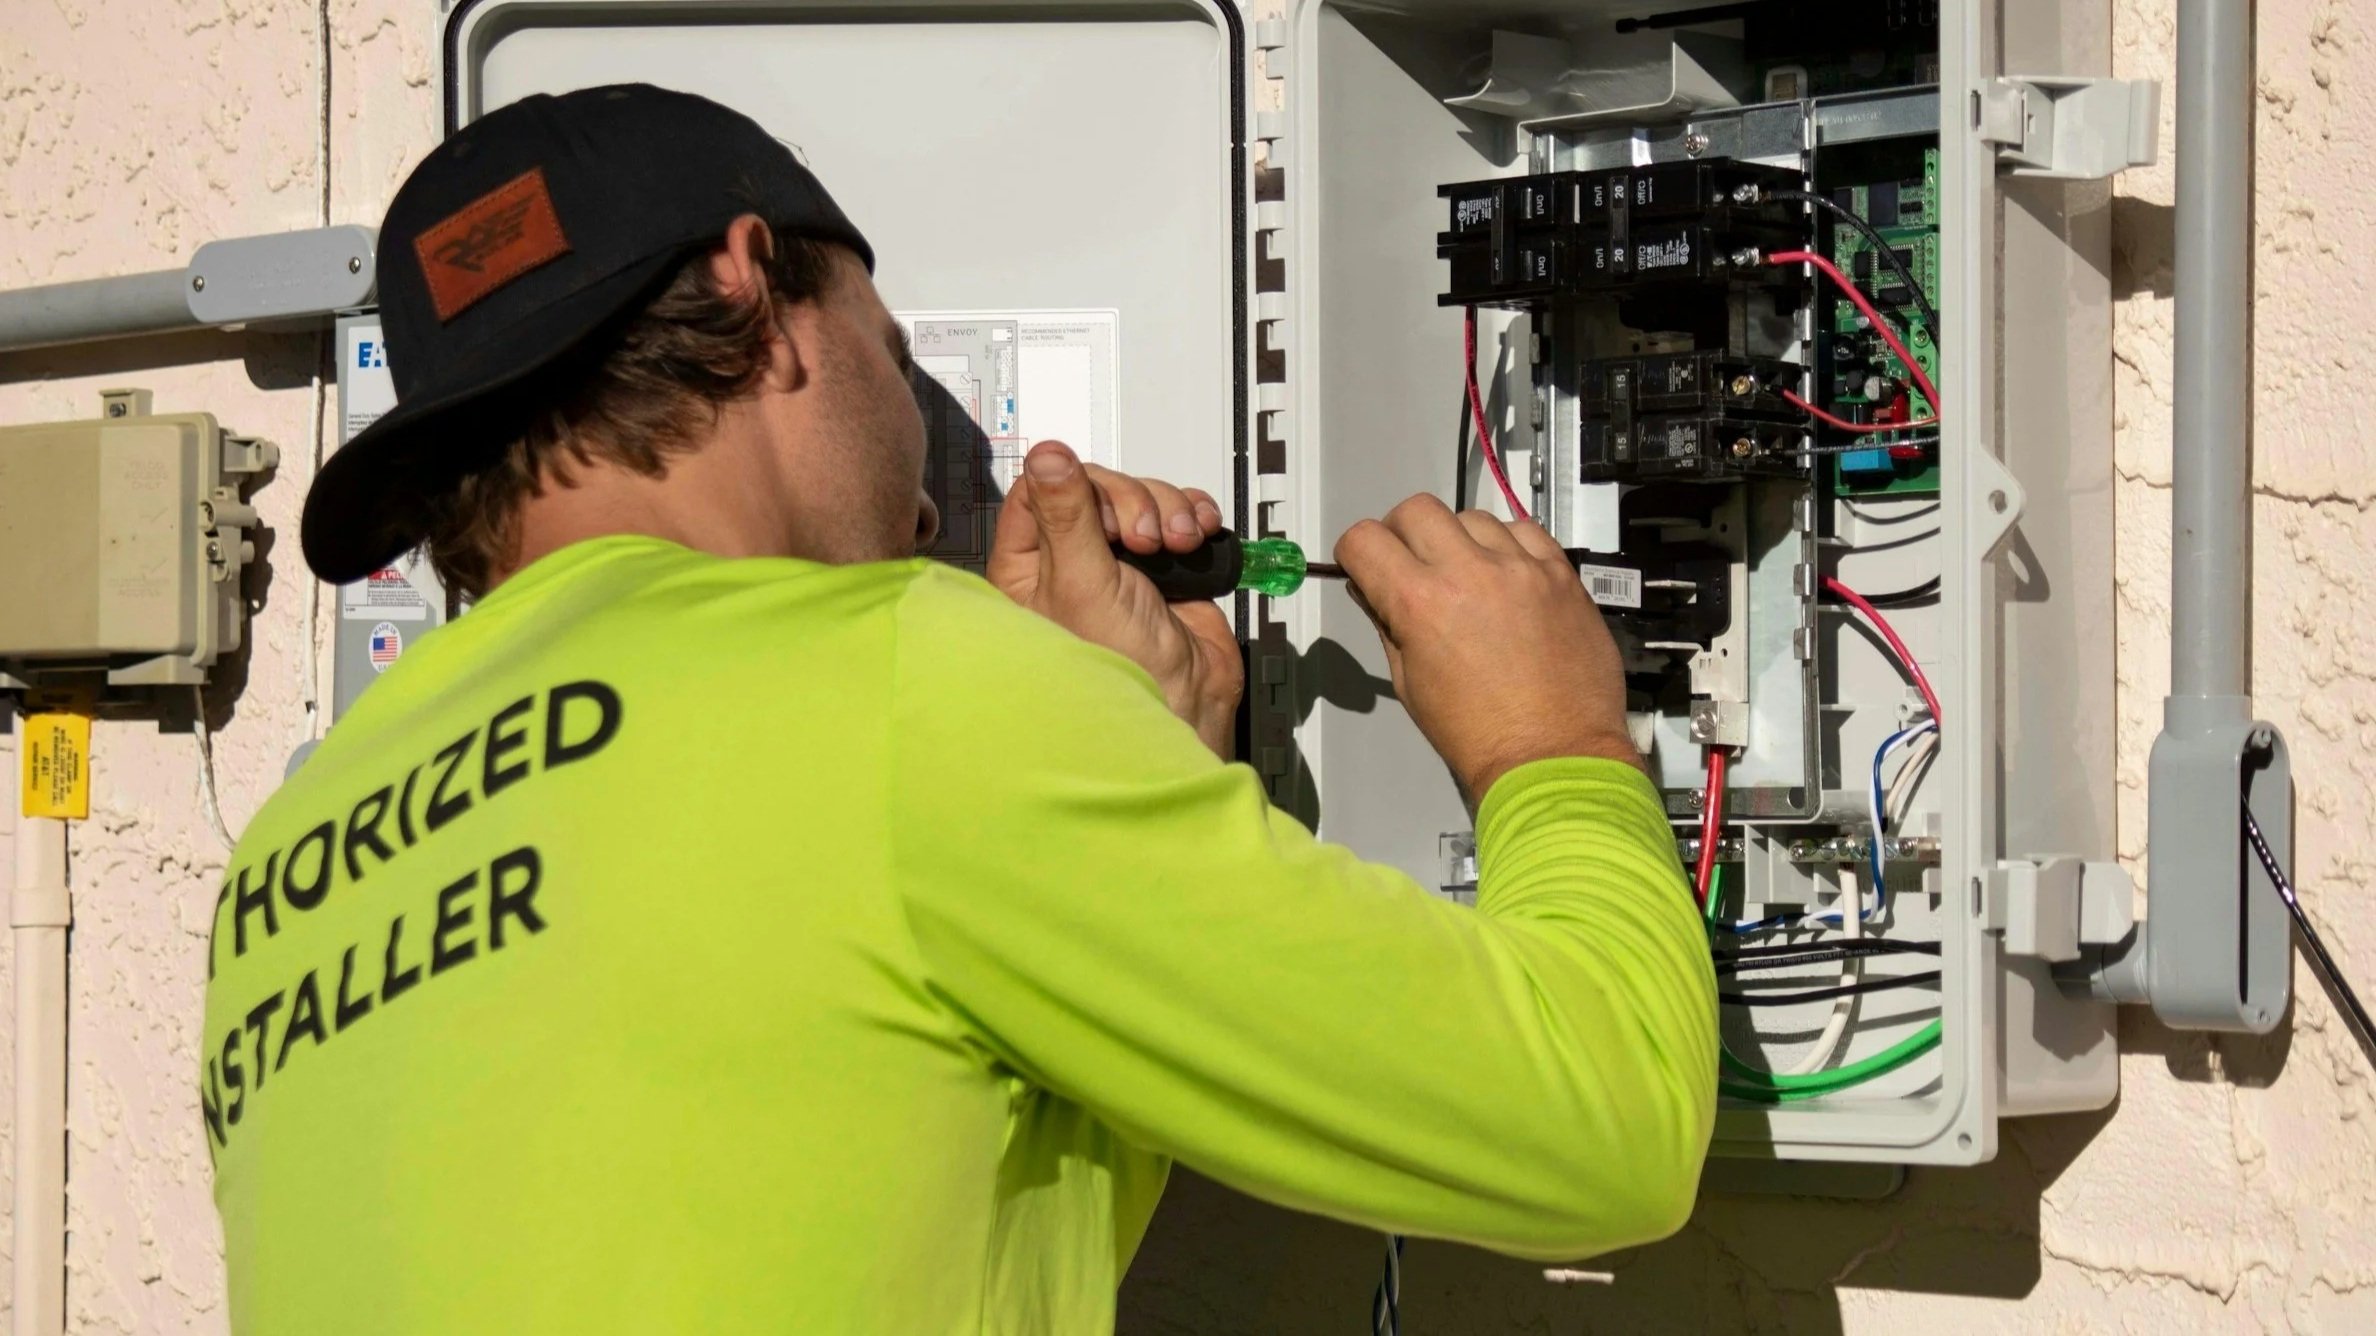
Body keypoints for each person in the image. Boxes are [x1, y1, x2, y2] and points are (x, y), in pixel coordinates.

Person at [201, 83, 1715, 1334]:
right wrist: (1553, 738)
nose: (935, 473)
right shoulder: (902, 684)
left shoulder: (286, 859)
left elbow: (931, 1216)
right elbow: (1611, 1126)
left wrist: (1131, 747)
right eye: (895, 348)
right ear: (756, 287)